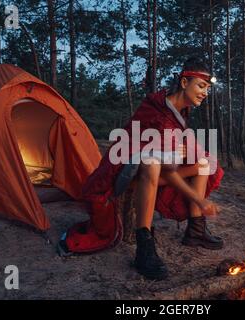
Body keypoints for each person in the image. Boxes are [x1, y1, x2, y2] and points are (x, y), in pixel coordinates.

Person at [58, 57, 224, 281]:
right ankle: (144, 246)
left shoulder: (178, 110)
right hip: (123, 170)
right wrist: (200, 199)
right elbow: (161, 162)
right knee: (152, 164)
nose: (205, 93)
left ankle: (196, 230)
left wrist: (181, 151)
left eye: (207, 88)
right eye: (201, 86)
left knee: (203, 161)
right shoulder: (157, 111)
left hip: (153, 165)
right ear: (184, 83)